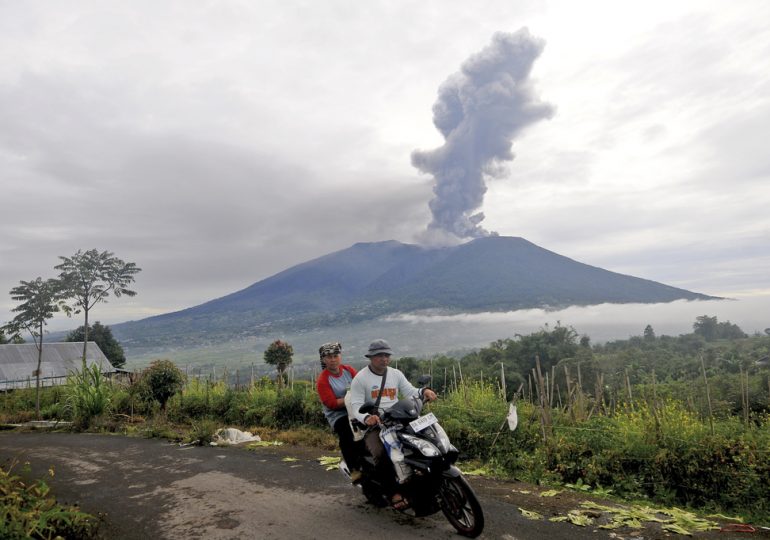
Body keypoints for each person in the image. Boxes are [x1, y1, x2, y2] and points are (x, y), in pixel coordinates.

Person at [349, 339, 437, 509]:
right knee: (381, 454)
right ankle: (393, 492)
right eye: (380, 355)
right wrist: (367, 418)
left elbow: (410, 391)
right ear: (371, 357)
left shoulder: (395, 374)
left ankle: (423, 482)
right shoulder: (360, 379)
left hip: (399, 419)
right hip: (376, 425)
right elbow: (356, 405)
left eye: (387, 355)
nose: (384, 359)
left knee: (424, 443)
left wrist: (424, 391)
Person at [315, 342, 362, 483]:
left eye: (335, 356)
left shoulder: (349, 370)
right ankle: (354, 469)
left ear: (340, 357)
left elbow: (361, 385)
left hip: (356, 409)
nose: (333, 359)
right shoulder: (323, 380)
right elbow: (331, 403)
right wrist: (350, 398)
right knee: (347, 433)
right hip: (339, 415)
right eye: (329, 357)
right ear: (324, 360)